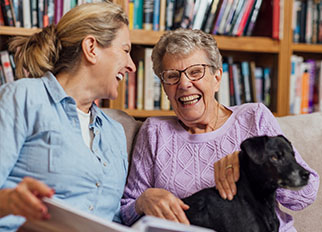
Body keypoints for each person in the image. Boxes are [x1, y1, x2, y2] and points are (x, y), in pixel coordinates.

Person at [120, 29, 319, 231]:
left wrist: (255, 167)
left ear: (217, 78)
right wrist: (142, 201)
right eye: (172, 76)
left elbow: (306, 195)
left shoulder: (254, 117)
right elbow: (125, 212)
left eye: (196, 72)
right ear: (164, 87)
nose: (184, 84)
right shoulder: (154, 131)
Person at [0, 1, 135, 231]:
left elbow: (112, 219)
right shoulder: (23, 97)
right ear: (91, 48)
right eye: (125, 51)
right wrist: (8, 202)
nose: (131, 65)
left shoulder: (115, 133)